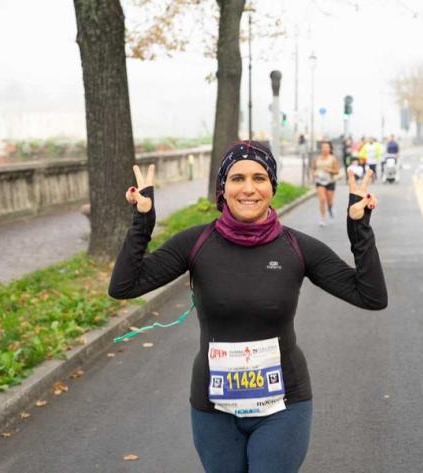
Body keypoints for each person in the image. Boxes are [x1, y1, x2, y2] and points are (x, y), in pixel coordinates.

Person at [108, 141, 387, 473]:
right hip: (214, 409)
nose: (249, 189)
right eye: (237, 178)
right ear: (223, 188)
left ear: (272, 187)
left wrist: (359, 227)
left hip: (283, 407)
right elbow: (124, 286)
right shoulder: (196, 243)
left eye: (259, 178)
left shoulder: (296, 247)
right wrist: (142, 221)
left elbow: (371, 296)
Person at [311, 141, 341, 226]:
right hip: (319, 181)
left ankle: (330, 208)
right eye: (323, 147)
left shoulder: (333, 159)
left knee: (329, 201)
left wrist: (329, 170)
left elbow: (337, 171)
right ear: (321, 149)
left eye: (327, 147)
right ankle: (322, 218)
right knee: (322, 200)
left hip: (330, 182)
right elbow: (313, 169)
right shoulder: (317, 158)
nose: (325, 149)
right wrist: (314, 174)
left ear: (330, 149)